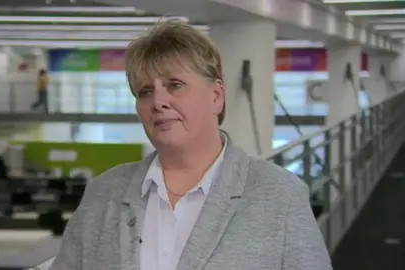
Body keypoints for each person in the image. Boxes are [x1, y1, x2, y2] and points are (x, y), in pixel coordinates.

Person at [50, 19, 332, 270]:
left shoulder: (280, 197)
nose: (158, 102)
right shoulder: (102, 195)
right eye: (145, 91)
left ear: (216, 96)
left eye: (174, 85)